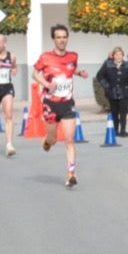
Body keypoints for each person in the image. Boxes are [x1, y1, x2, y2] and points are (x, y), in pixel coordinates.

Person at [31, 23, 87, 187]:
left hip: (68, 104)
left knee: (69, 139)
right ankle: (47, 141)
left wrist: (80, 73)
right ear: (53, 39)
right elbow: (35, 74)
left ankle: (71, 174)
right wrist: (46, 85)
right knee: (53, 139)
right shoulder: (45, 57)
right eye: (58, 38)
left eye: (64, 37)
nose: (62, 40)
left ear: (67, 38)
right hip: (50, 104)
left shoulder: (73, 56)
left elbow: (72, 69)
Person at [96, 46, 128, 138]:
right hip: (112, 92)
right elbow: (99, 76)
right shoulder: (107, 64)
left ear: (122, 55)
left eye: (120, 54)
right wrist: (106, 86)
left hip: (125, 92)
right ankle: (115, 130)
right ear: (113, 56)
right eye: (117, 54)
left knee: (123, 111)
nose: (119, 56)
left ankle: (123, 130)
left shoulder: (127, 65)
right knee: (114, 111)